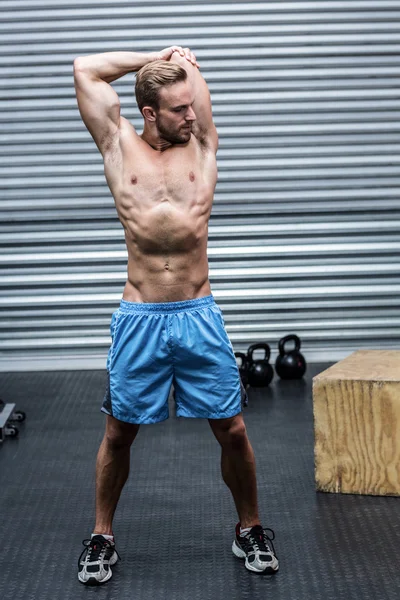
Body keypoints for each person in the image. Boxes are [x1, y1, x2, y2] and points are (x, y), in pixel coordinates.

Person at [73, 45, 279, 586]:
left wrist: (183, 61)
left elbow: (194, 96)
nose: (193, 115)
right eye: (179, 109)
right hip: (140, 315)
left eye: (193, 105)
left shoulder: (202, 144)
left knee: (233, 429)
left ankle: (250, 527)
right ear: (148, 112)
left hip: (199, 313)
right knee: (118, 433)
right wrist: (151, 55)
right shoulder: (117, 145)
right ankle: (102, 535)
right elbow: (84, 69)